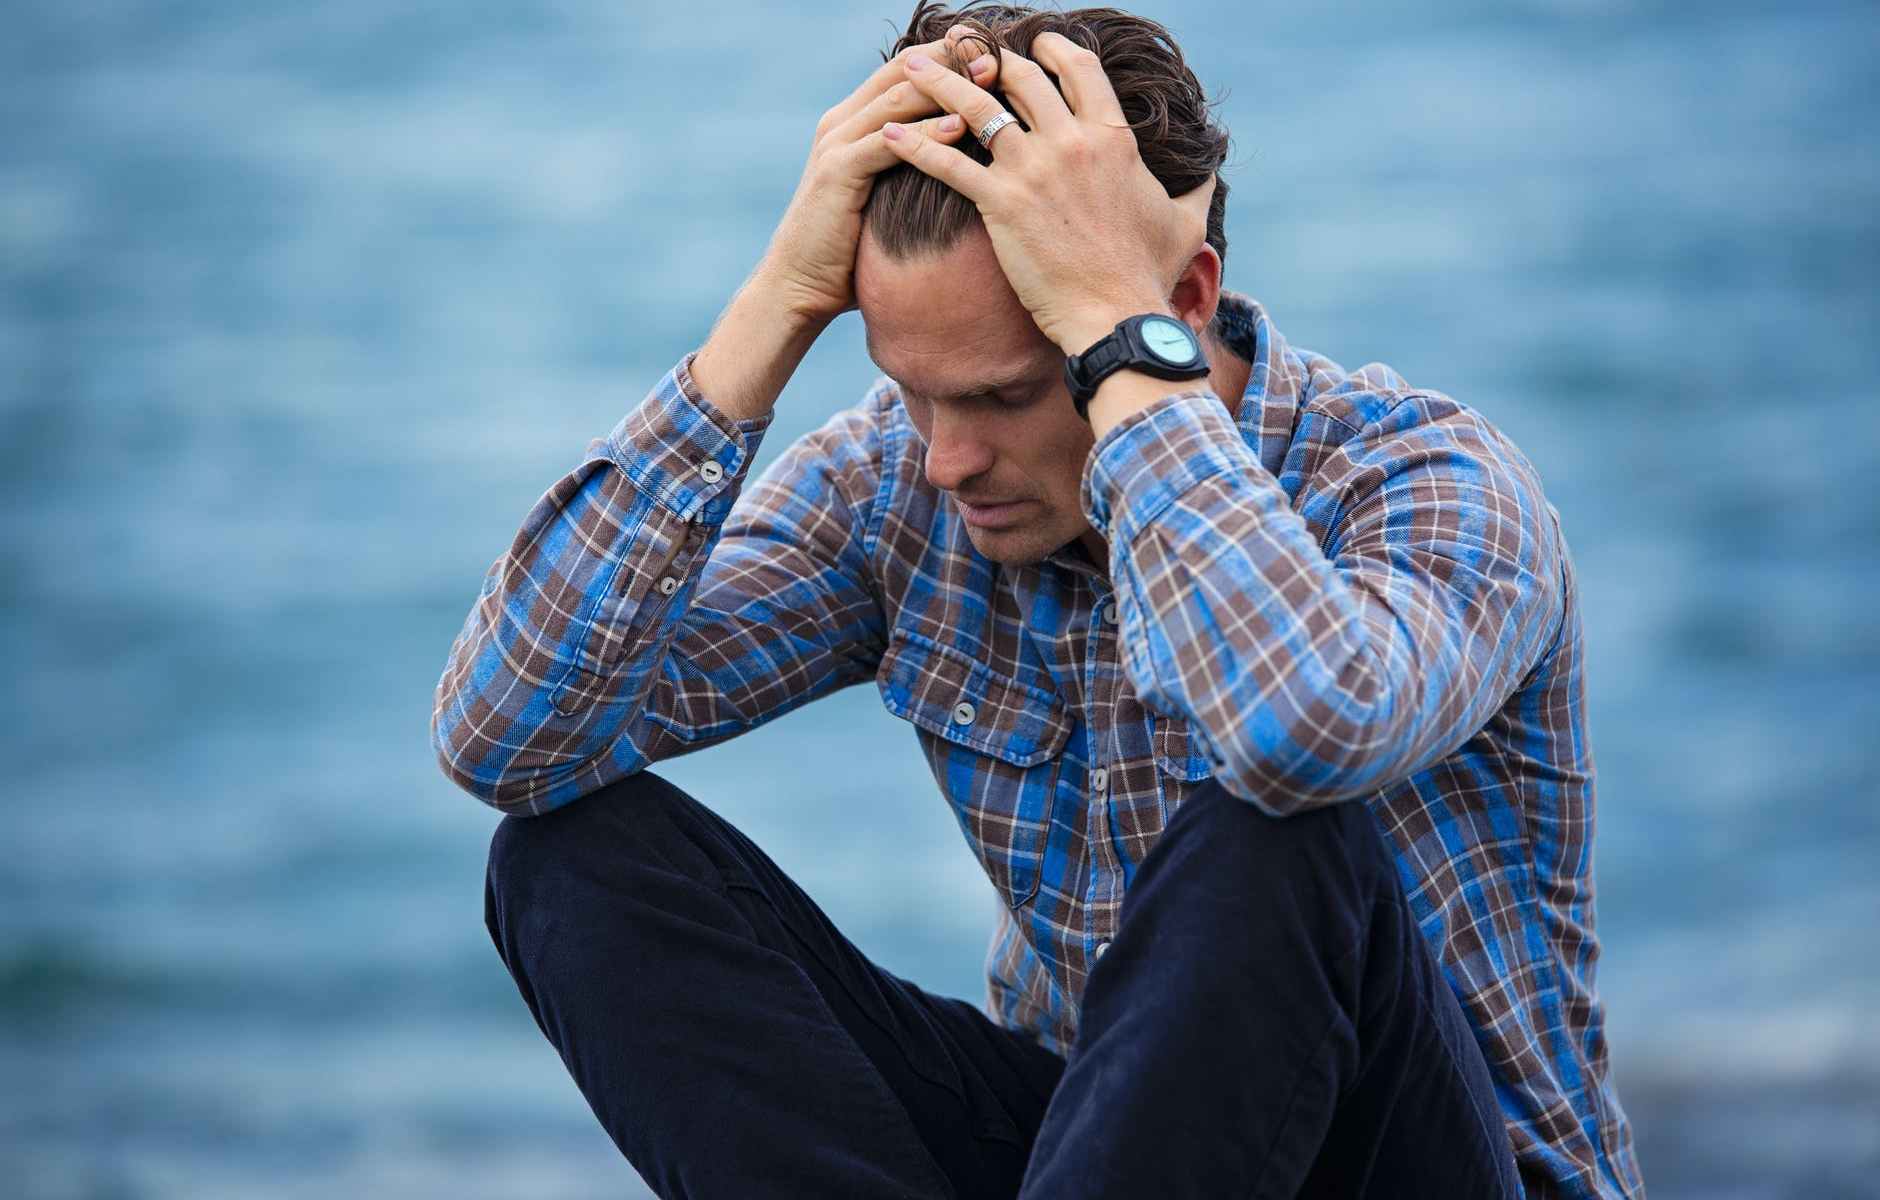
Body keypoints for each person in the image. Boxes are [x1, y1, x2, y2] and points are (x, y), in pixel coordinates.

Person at [432, 4, 1646, 1197]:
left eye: (1006, 396)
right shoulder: (898, 488)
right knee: (569, 860)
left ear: (1175, 303)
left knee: (1271, 828)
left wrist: (1122, 352)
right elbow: (508, 742)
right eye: (912, 392)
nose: (946, 458)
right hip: (1094, 1146)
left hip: (1424, 1162)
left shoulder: (1424, 482)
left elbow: (1297, 729)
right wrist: (772, 309)